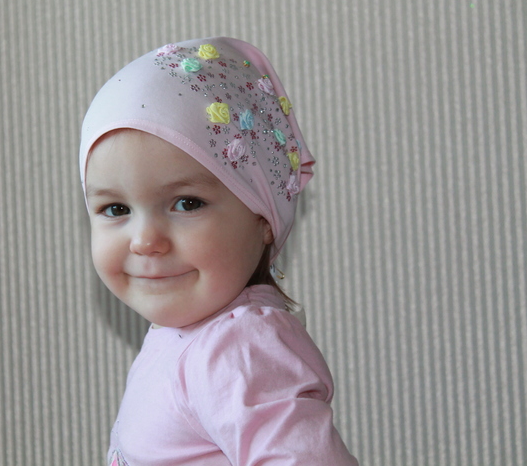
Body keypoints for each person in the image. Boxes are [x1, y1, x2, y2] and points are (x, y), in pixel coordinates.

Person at [79, 37, 357, 465]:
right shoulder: (186, 339)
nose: (145, 240)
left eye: (187, 203)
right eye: (116, 209)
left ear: (263, 218)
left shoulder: (238, 349)